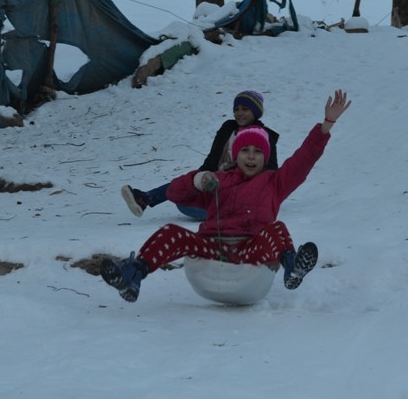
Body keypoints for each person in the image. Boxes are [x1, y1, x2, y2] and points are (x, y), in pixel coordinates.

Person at [100, 90, 352, 303]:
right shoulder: (219, 182)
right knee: (170, 232)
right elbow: (176, 193)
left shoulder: (275, 182)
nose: (251, 156)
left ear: (265, 157)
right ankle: (133, 275)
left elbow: (304, 159)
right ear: (235, 155)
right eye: (245, 151)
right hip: (212, 247)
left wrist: (326, 125)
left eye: (257, 152)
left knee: (277, 229)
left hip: (251, 250)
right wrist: (197, 181)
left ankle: (292, 267)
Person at [121, 90, 280, 221]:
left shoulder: (263, 135)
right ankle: (146, 198)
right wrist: (198, 178)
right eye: (236, 109)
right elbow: (213, 158)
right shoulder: (228, 128)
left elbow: (271, 171)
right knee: (184, 188)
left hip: (240, 194)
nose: (239, 113)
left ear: (256, 112)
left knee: (187, 204)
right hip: (217, 181)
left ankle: (232, 211)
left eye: (245, 109)